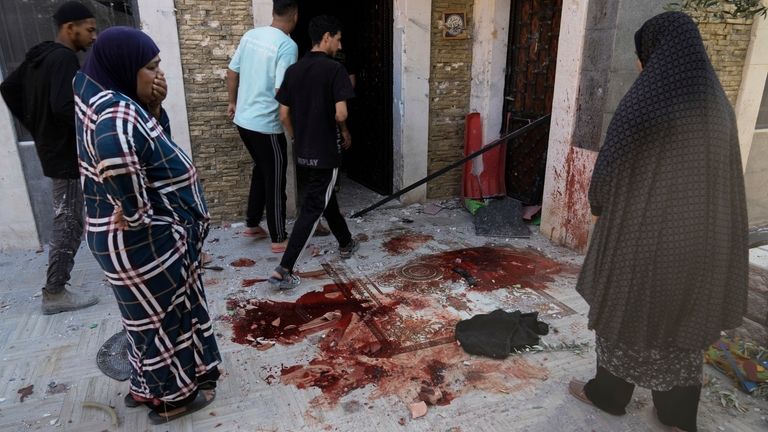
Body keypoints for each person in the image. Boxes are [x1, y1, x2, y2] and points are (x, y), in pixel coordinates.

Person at [568, 12, 748, 432]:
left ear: (655, 51)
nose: (637, 65)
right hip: (701, 243)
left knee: (624, 309)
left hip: (642, 236)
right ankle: (677, 416)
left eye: (640, 55)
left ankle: (609, 395)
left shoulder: (647, 100)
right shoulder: (717, 104)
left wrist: (598, 205)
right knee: (683, 323)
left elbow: (611, 168)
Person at [74, 27, 221, 424]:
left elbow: (154, 145)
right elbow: (114, 149)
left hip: (144, 238)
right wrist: (134, 208)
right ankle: (173, 400)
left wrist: (154, 107)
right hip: (142, 239)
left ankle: (148, 386)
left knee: (154, 318)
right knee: (163, 324)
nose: (159, 74)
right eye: (151, 66)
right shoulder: (115, 112)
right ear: (125, 67)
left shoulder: (112, 98)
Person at [0, 1, 98, 315]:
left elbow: (8, 87)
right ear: (71, 28)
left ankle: (57, 287)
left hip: (53, 148)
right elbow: (64, 106)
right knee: (69, 221)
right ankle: (54, 291)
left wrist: (36, 126)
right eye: (90, 29)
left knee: (68, 218)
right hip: (66, 153)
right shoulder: (64, 59)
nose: (94, 37)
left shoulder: (40, 56)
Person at [269, 15, 358, 289]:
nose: (340, 44)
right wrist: (343, 130)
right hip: (326, 150)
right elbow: (341, 111)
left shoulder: (294, 71)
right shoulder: (335, 70)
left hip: (303, 150)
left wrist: (297, 136)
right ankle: (284, 268)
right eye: (339, 39)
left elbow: (284, 114)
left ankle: (345, 242)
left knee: (323, 197)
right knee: (313, 206)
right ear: (327, 37)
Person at [227, 0, 298, 253]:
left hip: (243, 122)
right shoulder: (287, 45)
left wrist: (233, 102)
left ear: (273, 11)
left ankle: (252, 223)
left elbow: (232, 72)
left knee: (262, 169)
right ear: (295, 15)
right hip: (266, 125)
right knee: (276, 178)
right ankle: (279, 238)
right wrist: (292, 127)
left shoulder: (251, 35)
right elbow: (282, 91)